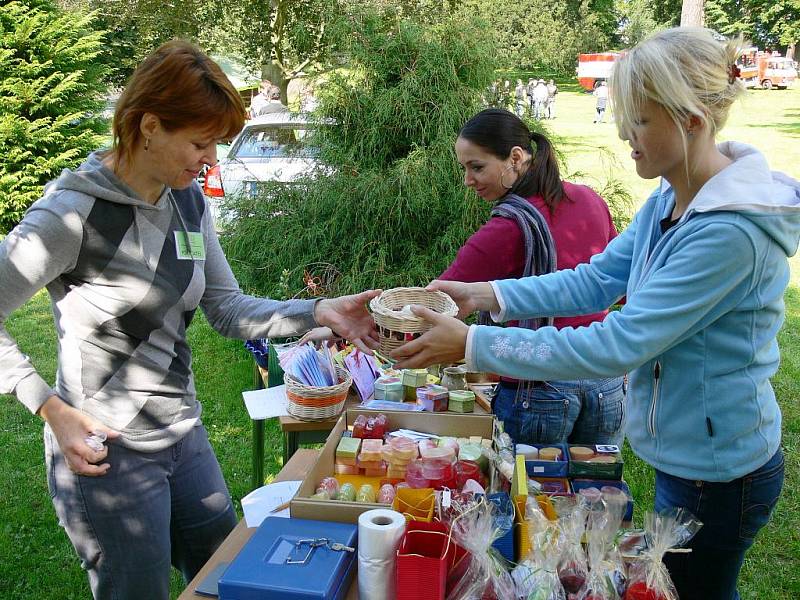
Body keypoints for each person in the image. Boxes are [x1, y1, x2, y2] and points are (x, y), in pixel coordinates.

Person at [392, 28, 798, 599]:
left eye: (638, 120)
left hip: (719, 471)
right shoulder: (670, 196)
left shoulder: (728, 235)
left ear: (690, 121)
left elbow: (619, 343)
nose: (622, 132)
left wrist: (472, 345)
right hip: (689, 455)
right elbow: (599, 279)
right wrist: (485, 295)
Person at [0, 41, 380, 600]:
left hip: (184, 435)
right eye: (201, 143)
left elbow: (227, 309)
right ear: (149, 125)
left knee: (227, 579)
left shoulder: (188, 202)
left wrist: (317, 311)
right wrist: (49, 408)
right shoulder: (70, 214)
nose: (211, 161)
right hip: (109, 452)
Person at [439, 108, 624, 447]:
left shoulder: (508, 228)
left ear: (515, 158)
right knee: (597, 495)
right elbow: (620, 287)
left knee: (529, 495)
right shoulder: (589, 199)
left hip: (539, 389)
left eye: (476, 167)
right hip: (604, 381)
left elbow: (439, 301)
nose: (467, 180)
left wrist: (343, 325)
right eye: (464, 168)